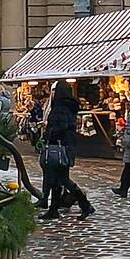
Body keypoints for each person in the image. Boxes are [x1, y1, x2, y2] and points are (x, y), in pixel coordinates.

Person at [37, 80, 94, 221]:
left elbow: (61, 127)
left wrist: (48, 134)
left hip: (59, 147)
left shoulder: (60, 108)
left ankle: (85, 205)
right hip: (66, 146)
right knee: (57, 180)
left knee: (63, 179)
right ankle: (54, 209)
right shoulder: (68, 106)